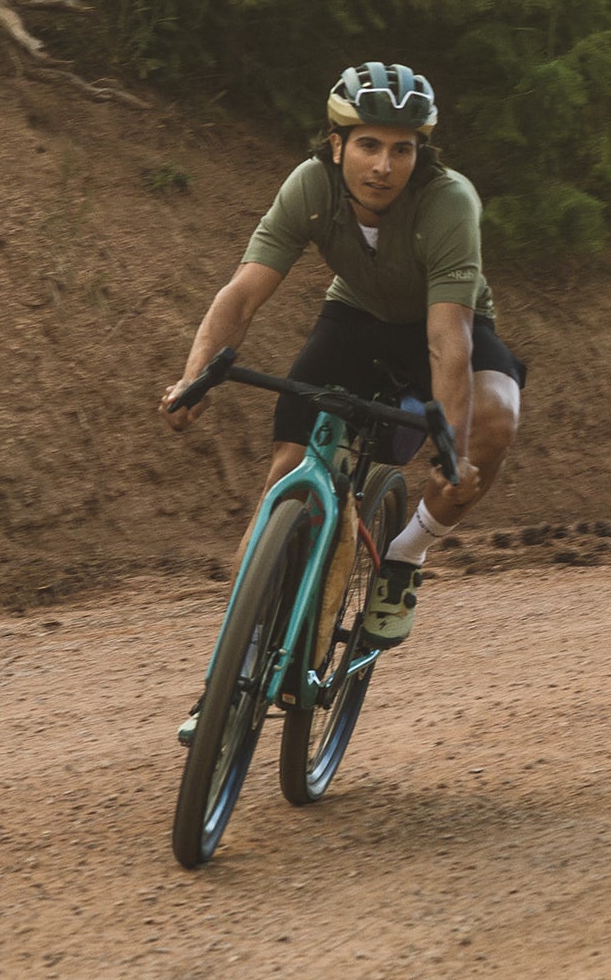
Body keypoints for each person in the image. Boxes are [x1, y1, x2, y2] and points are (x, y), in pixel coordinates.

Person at [157, 61, 524, 683]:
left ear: (420, 153)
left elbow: (447, 339)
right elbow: (241, 295)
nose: (383, 166)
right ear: (337, 145)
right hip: (355, 317)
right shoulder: (310, 187)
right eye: (369, 146)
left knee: (496, 417)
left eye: (401, 149)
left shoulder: (448, 202)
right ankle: (235, 664)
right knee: (286, 471)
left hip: (444, 324)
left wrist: (452, 450)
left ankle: (406, 556)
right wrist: (194, 379)